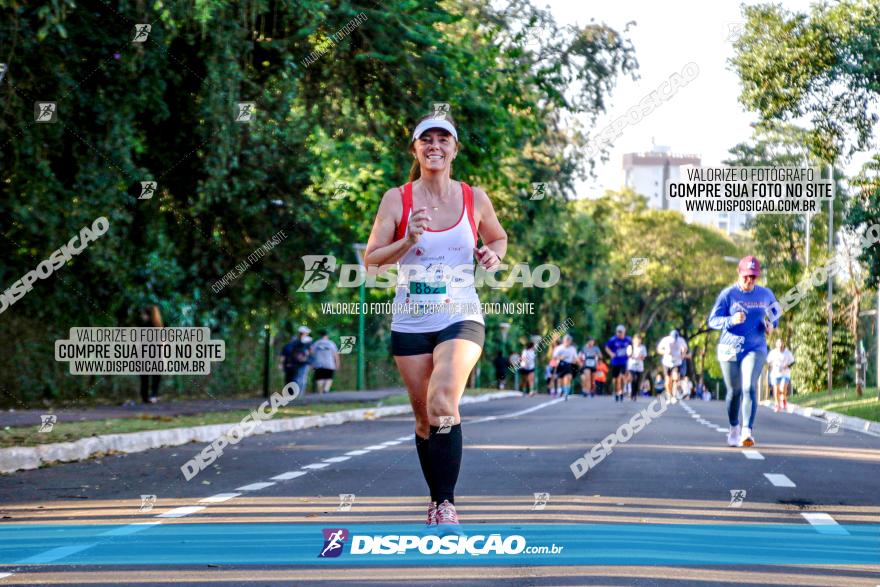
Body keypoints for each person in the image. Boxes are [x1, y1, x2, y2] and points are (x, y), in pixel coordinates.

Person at [363, 112, 507, 532]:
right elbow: (370, 263)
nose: (435, 146)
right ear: (415, 149)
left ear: (454, 149)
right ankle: (435, 498)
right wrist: (406, 240)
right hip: (410, 319)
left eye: (444, 139)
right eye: (426, 139)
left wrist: (493, 254)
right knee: (425, 417)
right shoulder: (397, 199)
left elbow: (497, 236)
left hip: (460, 314)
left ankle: (446, 504)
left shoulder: (474, 197)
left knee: (444, 401)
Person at [708, 255, 779, 448]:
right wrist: (731, 320)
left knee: (749, 387)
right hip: (729, 348)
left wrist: (771, 324)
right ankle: (734, 428)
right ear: (739, 273)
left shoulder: (765, 294)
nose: (749, 280)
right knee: (734, 391)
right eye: (746, 276)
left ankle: (747, 431)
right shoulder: (727, 294)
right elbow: (712, 321)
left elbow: (775, 314)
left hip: (755, 347)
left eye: (753, 277)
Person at [137, 304, 163, 404]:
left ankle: (145, 397)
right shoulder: (159, 326)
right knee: (156, 376)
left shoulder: (143, 326)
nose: (141, 316)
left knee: (144, 377)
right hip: (156, 353)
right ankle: (153, 396)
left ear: (147, 315)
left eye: (143, 314)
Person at [657, 329, 688, 402]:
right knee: (667, 382)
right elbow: (659, 349)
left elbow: (685, 348)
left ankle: (674, 395)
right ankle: (669, 394)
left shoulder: (680, 340)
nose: (674, 340)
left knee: (675, 378)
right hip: (667, 362)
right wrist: (665, 352)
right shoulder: (665, 340)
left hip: (676, 362)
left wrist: (683, 354)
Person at [281, 326, 313, 394]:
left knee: (301, 377)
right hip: (296, 363)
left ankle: (299, 393)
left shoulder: (308, 341)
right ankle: (296, 393)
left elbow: (310, 352)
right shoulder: (296, 341)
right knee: (296, 378)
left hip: (303, 362)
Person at [605, 325, 632, 402]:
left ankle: (621, 392)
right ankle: (617, 392)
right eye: (618, 332)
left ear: (624, 332)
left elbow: (631, 346)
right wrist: (611, 354)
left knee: (622, 377)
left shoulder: (628, 339)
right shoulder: (613, 340)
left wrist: (631, 353)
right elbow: (607, 347)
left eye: (621, 332)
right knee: (616, 378)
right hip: (615, 362)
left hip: (624, 361)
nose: (619, 333)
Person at [767, 339, 795, 412]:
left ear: (783, 344)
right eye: (778, 343)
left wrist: (787, 366)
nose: (779, 345)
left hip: (785, 374)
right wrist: (772, 365)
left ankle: (783, 399)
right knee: (776, 390)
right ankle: (777, 404)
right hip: (775, 374)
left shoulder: (787, 352)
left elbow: (792, 362)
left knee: (782, 388)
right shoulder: (773, 352)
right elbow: (768, 361)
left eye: (781, 343)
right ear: (776, 344)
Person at [552, 334, 578, 400]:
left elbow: (575, 357)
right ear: (564, 341)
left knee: (568, 378)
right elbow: (554, 357)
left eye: (569, 340)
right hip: (560, 364)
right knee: (560, 380)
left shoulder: (572, 349)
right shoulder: (559, 348)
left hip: (568, 365)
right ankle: (561, 390)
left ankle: (566, 393)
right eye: (566, 340)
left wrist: (575, 360)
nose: (568, 342)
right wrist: (560, 357)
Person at [626, 334, 647, 402]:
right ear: (633, 341)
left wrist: (638, 356)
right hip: (632, 366)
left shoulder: (643, 347)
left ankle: (635, 393)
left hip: (640, 367)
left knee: (638, 381)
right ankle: (632, 394)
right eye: (636, 340)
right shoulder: (630, 347)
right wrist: (637, 356)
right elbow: (629, 355)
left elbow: (643, 357)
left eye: (639, 340)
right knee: (633, 379)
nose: (638, 341)